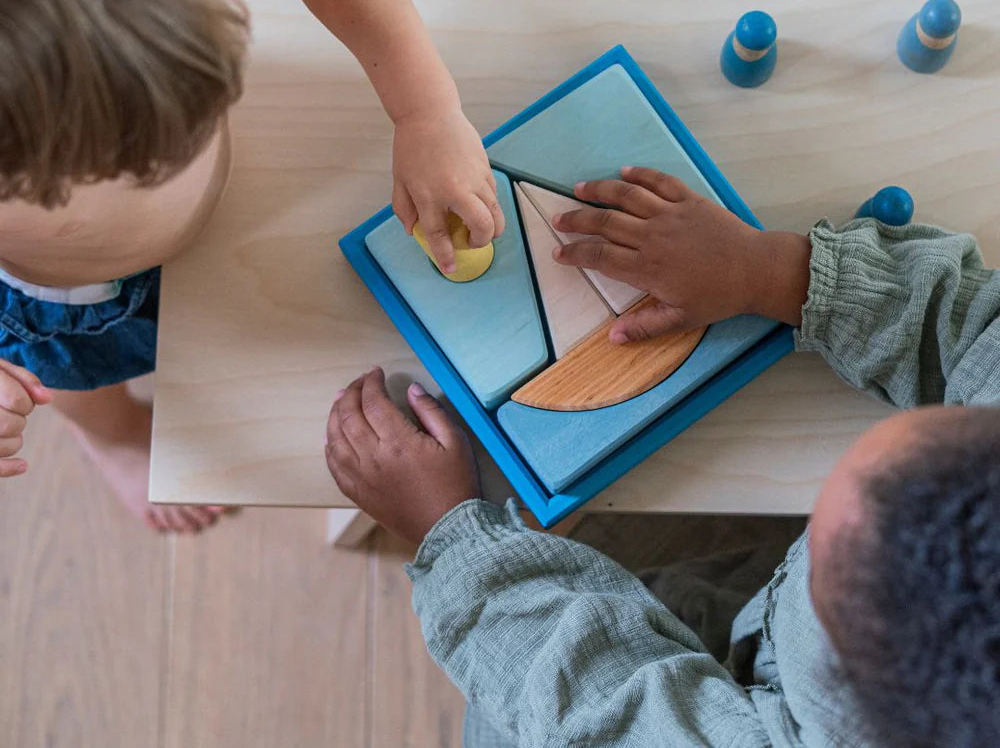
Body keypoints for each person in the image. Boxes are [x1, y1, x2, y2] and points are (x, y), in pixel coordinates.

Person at [325, 166, 1000, 748]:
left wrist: (453, 539)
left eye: (828, 542)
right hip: (767, 627)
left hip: (735, 699)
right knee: (684, 596)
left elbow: (601, 717)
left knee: (504, 722)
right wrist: (773, 270)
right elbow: (978, 330)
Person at [0, 0, 503, 532]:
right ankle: (116, 441)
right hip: (56, 311)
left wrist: (426, 111)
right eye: (124, 163)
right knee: (74, 387)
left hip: (226, 224)